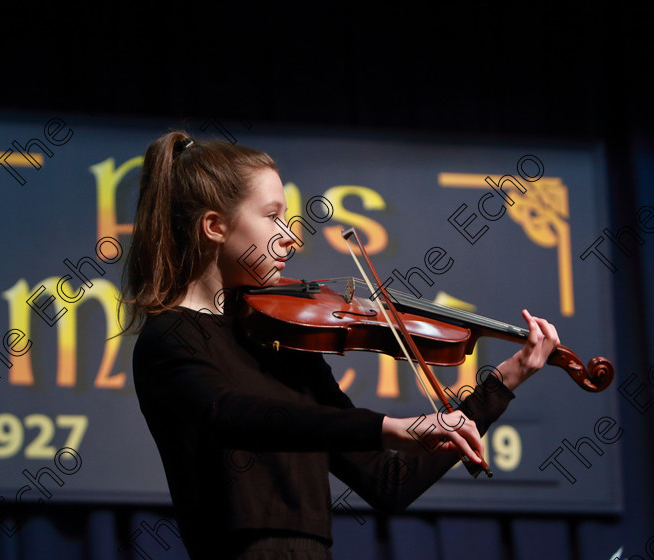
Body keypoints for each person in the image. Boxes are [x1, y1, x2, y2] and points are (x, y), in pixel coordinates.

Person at [121, 132, 561, 559]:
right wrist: (388, 427)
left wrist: (504, 381)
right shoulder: (171, 338)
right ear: (215, 226)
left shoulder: (278, 339)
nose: (291, 236)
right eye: (272, 216)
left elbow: (390, 482)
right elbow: (232, 415)